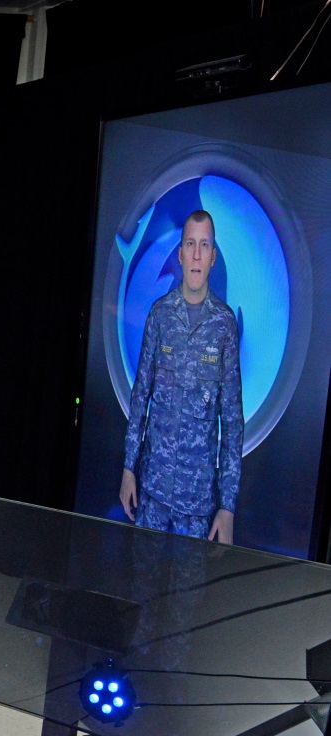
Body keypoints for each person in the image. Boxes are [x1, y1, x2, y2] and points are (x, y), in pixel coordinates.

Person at [121, 209, 242, 543]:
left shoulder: (224, 325)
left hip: (198, 505)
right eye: (191, 244)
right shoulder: (160, 315)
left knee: (189, 596)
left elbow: (231, 420)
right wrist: (128, 468)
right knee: (142, 590)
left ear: (214, 256)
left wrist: (227, 506)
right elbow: (140, 395)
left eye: (205, 245)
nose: (197, 255)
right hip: (153, 493)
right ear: (180, 253)